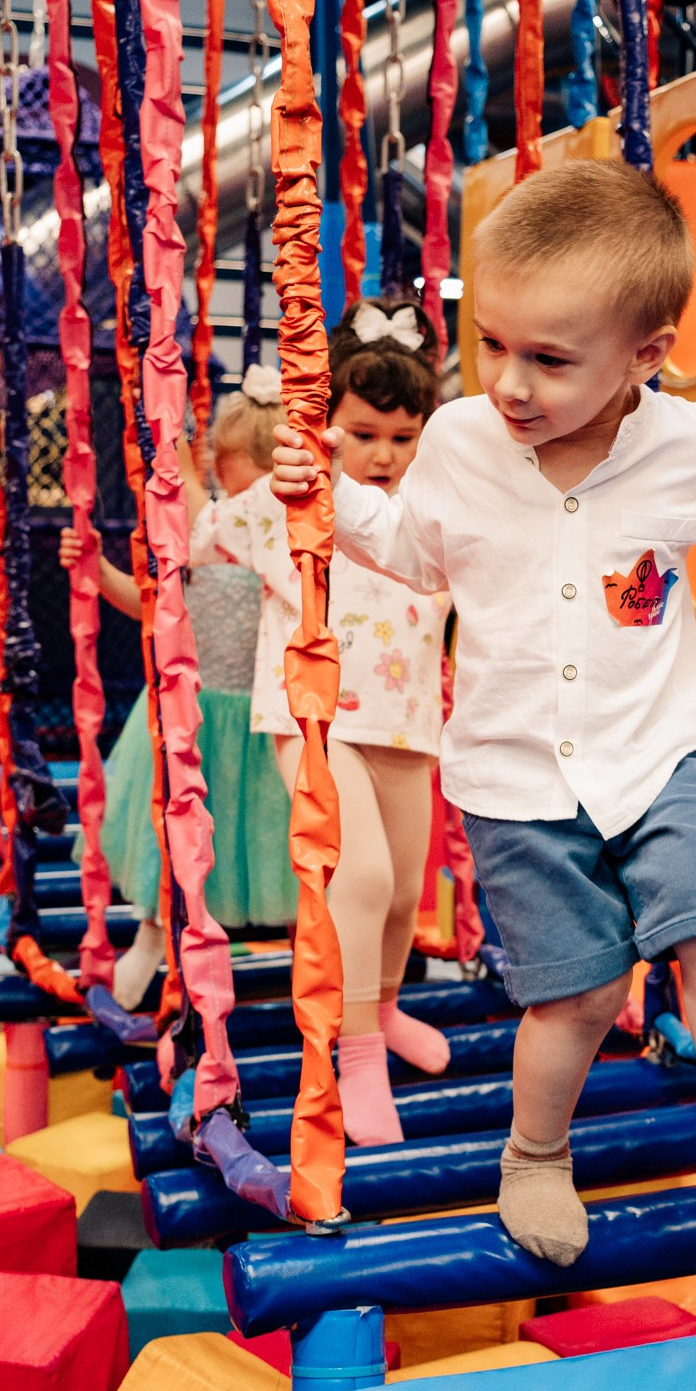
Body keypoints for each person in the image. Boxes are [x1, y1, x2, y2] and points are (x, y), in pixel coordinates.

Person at [273, 160, 696, 1263]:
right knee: (578, 993)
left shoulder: (683, 448)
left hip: (656, 753)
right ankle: (533, 1156)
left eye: (549, 359)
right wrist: (327, 502)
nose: (510, 383)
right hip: (515, 776)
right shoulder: (462, 444)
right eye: (493, 347)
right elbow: (416, 554)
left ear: (644, 356)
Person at [185, 300, 451, 1147]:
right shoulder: (291, 497)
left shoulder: (432, 508)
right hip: (313, 715)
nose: (384, 454)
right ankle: (359, 1055)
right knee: (360, 878)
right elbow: (200, 536)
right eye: (365, 433)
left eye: (403, 438)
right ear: (326, 427)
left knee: (408, 890)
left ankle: (389, 1009)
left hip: (406, 720)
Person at [60, 366, 296, 1007]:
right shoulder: (210, 526)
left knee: (281, 838)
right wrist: (94, 566)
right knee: (171, 836)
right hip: (194, 716)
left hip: (266, 720)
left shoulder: (295, 537)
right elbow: (151, 605)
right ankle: (152, 938)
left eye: (241, 467)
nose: (229, 480)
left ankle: (313, 954)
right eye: (225, 468)